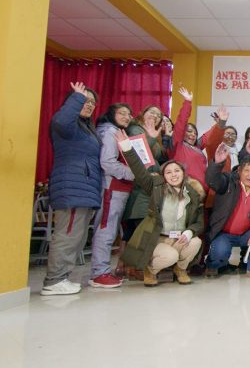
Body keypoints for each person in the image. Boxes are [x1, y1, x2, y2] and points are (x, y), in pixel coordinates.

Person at [115, 130, 205, 287]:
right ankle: (150, 270)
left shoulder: (193, 194)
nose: (173, 174)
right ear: (164, 176)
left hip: (178, 238)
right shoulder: (156, 187)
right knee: (169, 256)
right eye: (168, 172)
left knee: (195, 242)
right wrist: (126, 147)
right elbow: (139, 170)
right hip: (158, 238)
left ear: (184, 174)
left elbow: (199, 222)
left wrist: (189, 232)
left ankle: (180, 269)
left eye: (177, 171)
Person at [41, 82, 102, 296]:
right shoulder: (66, 125)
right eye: (85, 101)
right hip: (72, 188)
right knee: (67, 236)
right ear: (73, 101)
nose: (89, 105)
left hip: (84, 188)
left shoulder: (85, 129)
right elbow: (61, 120)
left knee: (76, 236)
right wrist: (77, 98)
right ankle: (54, 280)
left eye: (93, 102)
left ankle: (62, 277)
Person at [205, 147, 250, 279]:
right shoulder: (228, 182)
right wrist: (217, 163)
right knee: (220, 252)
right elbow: (212, 180)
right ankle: (214, 265)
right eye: (247, 170)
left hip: (246, 233)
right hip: (224, 233)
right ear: (240, 171)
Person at [88, 102, 134, 289]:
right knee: (106, 229)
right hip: (111, 187)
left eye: (129, 114)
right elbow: (107, 163)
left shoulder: (114, 131)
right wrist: (135, 173)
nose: (126, 117)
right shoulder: (110, 132)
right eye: (122, 113)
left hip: (118, 188)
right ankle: (100, 273)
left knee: (109, 228)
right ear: (111, 114)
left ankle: (101, 271)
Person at [123, 104, 168, 245]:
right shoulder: (135, 129)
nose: (155, 116)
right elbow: (137, 154)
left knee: (145, 221)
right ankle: (126, 261)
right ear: (143, 112)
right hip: (140, 181)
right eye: (152, 112)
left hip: (151, 183)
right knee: (137, 221)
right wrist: (152, 138)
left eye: (158, 115)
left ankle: (129, 262)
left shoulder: (154, 134)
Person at [170, 87, 226, 193]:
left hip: (201, 193)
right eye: (189, 131)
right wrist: (187, 102)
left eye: (195, 133)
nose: (193, 135)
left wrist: (221, 123)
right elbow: (181, 124)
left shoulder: (197, 147)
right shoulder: (178, 145)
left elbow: (208, 136)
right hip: (183, 191)